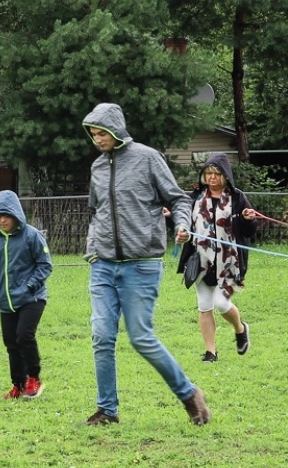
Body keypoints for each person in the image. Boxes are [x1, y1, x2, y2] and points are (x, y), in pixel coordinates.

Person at [81, 103, 209, 427]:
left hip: (141, 266)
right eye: (93, 134)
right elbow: (95, 212)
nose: (97, 139)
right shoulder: (97, 167)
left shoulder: (147, 158)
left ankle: (190, 394)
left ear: (115, 130)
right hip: (102, 266)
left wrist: (183, 225)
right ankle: (107, 410)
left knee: (140, 337)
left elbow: (179, 199)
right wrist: (92, 249)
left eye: (102, 132)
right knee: (101, 336)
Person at [176, 153, 257, 362]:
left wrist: (248, 220)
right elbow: (184, 224)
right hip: (200, 260)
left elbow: (249, 232)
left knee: (221, 304)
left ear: (225, 176)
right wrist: (179, 229)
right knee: (204, 305)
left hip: (229, 261)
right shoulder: (195, 196)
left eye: (217, 174)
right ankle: (211, 352)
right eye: (209, 173)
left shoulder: (238, 197)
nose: (212, 178)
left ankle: (240, 329)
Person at [0, 190, 53, 400]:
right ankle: (18, 384)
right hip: (6, 301)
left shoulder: (32, 235)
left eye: (6, 215)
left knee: (24, 336)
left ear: (15, 215)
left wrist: (30, 286)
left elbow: (45, 265)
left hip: (32, 298)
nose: (2, 220)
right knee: (11, 343)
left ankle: (34, 377)